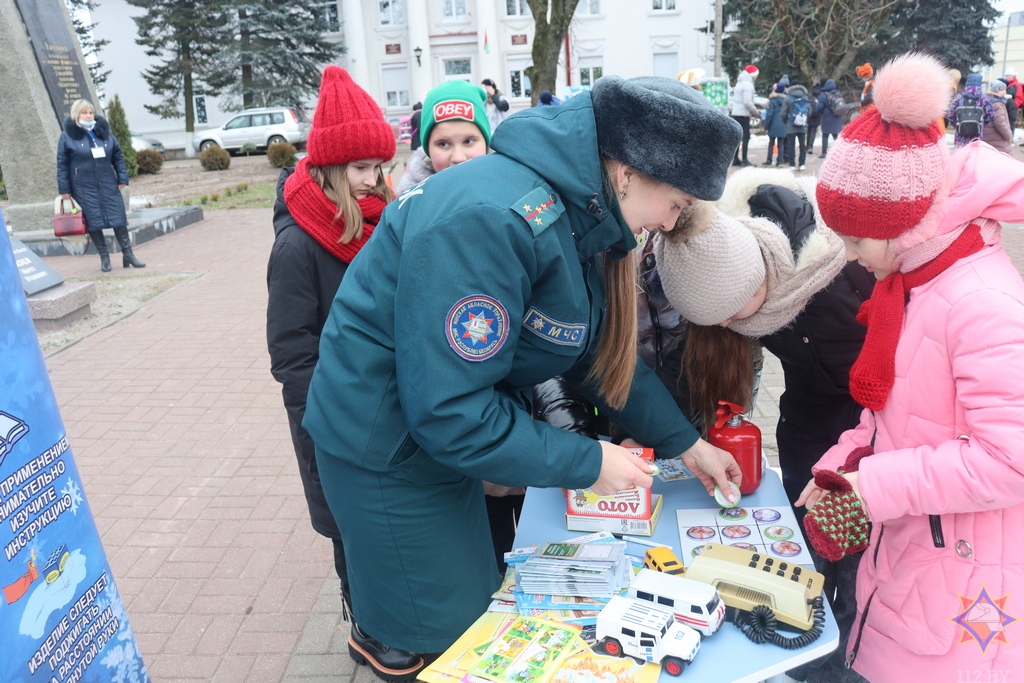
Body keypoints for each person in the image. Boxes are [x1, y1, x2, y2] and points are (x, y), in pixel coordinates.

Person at [302, 76, 744, 674]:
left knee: (471, 602)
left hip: (427, 432)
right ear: (627, 174)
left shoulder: (577, 210)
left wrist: (684, 441)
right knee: (443, 631)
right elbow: (449, 413)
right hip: (386, 449)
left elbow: (586, 348)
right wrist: (590, 462)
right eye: (678, 204)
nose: (670, 223)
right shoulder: (493, 220)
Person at [799, 52, 1024, 682]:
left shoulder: (980, 303)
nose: (849, 258)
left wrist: (875, 485)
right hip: (916, 564)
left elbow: (1010, 462)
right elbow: (894, 415)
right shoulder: (917, 284)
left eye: (856, 241)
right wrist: (845, 464)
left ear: (903, 223)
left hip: (968, 600)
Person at [265, 66, 403, 680]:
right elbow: (291, 353)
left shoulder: (380, 221)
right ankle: (365, 629)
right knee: (350, 524)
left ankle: (392, 609)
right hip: (332, 416)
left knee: (384, 517)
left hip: (386, 404)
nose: (375, 181)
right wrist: (336, 413)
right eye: (361, 169)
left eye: (380, 166)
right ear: (327, 169)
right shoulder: (298, 245)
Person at [57, 99, 143, 272]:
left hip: (107, 183)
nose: (88, 115)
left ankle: (128, 254)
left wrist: (122, 177)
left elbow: (118, 155)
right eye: (84, 113)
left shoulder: (103, 133)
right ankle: (104, 257)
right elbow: (62, 163)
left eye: (90, 112)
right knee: (94, 221)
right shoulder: (67, 136)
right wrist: (64, 189)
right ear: (77, 115)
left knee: (119, 219)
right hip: (83, 186)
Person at [397, 80, 491, 194]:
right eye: (443, 144)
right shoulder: (409, 204)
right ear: (428, 149)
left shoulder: (511, 191)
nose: (458, 158)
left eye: (468, 141)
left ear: (486, 143)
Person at [948, 73, 995, 148]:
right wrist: (981, 124)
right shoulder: (984, 99)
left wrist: (957, 125)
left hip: (960, 134)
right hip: (977, 135)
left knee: (961, 157)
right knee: (975, 156)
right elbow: (990, 114)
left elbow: (950, 115)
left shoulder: (958, 98)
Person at [730, 64, 761, 166]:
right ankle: (744, 160)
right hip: (743, 114)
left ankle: (735, 159)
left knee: (738, 137)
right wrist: (755, 112)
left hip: (736, 113)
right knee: (746, 137)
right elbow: (747, 101)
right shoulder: (748, 84)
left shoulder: (740, 82)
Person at [780, 81, 813, 170]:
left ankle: (792, 164)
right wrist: (804, 120)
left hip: (790, 126)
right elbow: (809, 111)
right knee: (802, 145)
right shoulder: (805, 97)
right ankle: (802, 164)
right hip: (802, 126)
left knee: (791, 145)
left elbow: (783, 113)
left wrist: (786, 121)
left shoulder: (788, 98)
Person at [983, 79, 1014, 154]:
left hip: (988, 137)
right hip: (998, 140)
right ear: (996, 90)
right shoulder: (998, 104)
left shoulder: (987, 101)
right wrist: (1008, 135)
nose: (1005, 92)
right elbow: (1000, 123)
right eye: (1002, 90)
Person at [816, 79, 844, 158]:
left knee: (825, 135)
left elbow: (819, 108)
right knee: (836, 136)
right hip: (837, 118)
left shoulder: (823, 95)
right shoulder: (838, 94)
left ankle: (824, 152)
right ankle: (837, 152)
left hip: (827, 119)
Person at [762, 82, 788, 166]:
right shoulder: (786, 101)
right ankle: (780, 161)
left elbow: (769, 115)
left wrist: (766, 126)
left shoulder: (772, 101)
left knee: (771, 143)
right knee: (781, 143)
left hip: (773, 125)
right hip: (783, 124)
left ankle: (769, 160)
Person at [806, 79, 825, 155]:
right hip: (817, 116)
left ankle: (807, 146)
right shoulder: (820, 95)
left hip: (809, 115)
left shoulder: (810, 96)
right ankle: (810, 146)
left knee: (809, 131)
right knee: (813, 131)